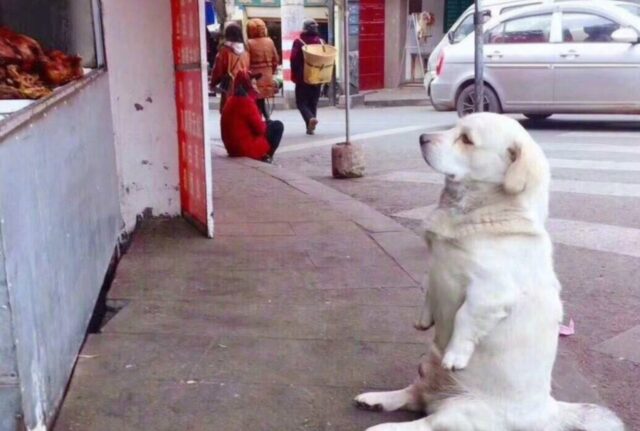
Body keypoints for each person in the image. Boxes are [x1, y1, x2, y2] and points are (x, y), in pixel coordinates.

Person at [221, 70, 284, 164]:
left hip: (232, 147)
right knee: (278, 126)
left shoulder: (230, 100)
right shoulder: (246, 102)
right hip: (244, 149)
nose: (255, 86)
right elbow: (260, 129)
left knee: (269, 123)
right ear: (248, 85)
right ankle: (266, 157)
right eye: (253, 83)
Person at [290, 19, 323, 135]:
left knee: (301, 102)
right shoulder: (320, 42)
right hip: (317, 77)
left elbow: (293, 59)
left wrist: (295, 73)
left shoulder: (298, 42)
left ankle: (310, 119)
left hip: (303, 77)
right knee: (313, 102)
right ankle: (310, 128)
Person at [210, 22, 250, 112]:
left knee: (228, 112)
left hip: (229, 86)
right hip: (244, 86)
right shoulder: (246, 51)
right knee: (241, 112)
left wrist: (213, 84)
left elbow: (218, 70)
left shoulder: (224, 51)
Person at [246, 18, 280, 120]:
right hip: (268, 75)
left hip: (255, 77)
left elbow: (246, 62)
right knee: (261, 99)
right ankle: (265, 118)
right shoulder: (269, 41)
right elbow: (276, 59)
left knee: (256, 99)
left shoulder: (249, 43)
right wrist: (271, 72)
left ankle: (262, 119)